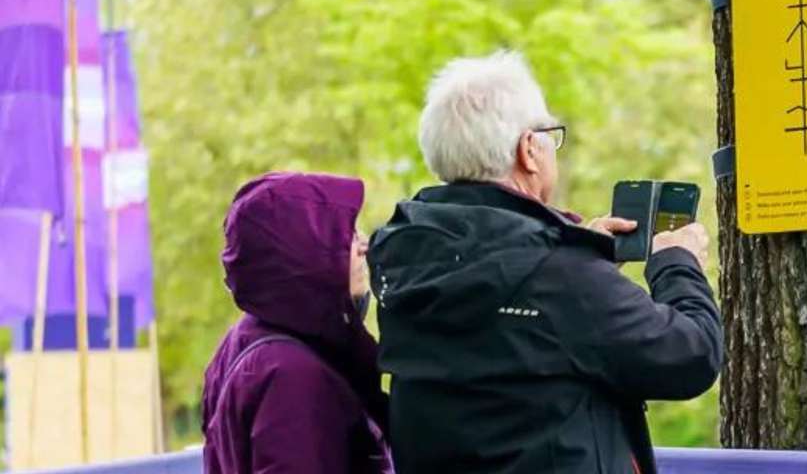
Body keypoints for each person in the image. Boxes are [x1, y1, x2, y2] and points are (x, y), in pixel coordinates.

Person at [369, 51, 722, 474]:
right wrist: (676, 263)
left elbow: (513, 339)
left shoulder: (410, 262)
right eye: (550, 135)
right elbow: (690, 356)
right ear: (529, 151)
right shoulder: (559, 276)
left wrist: (583, 263)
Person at [202, 172, 392, 474]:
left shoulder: (247, 338)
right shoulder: (292, 373)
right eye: (344, 235)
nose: (363, 246)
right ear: (304, 251)